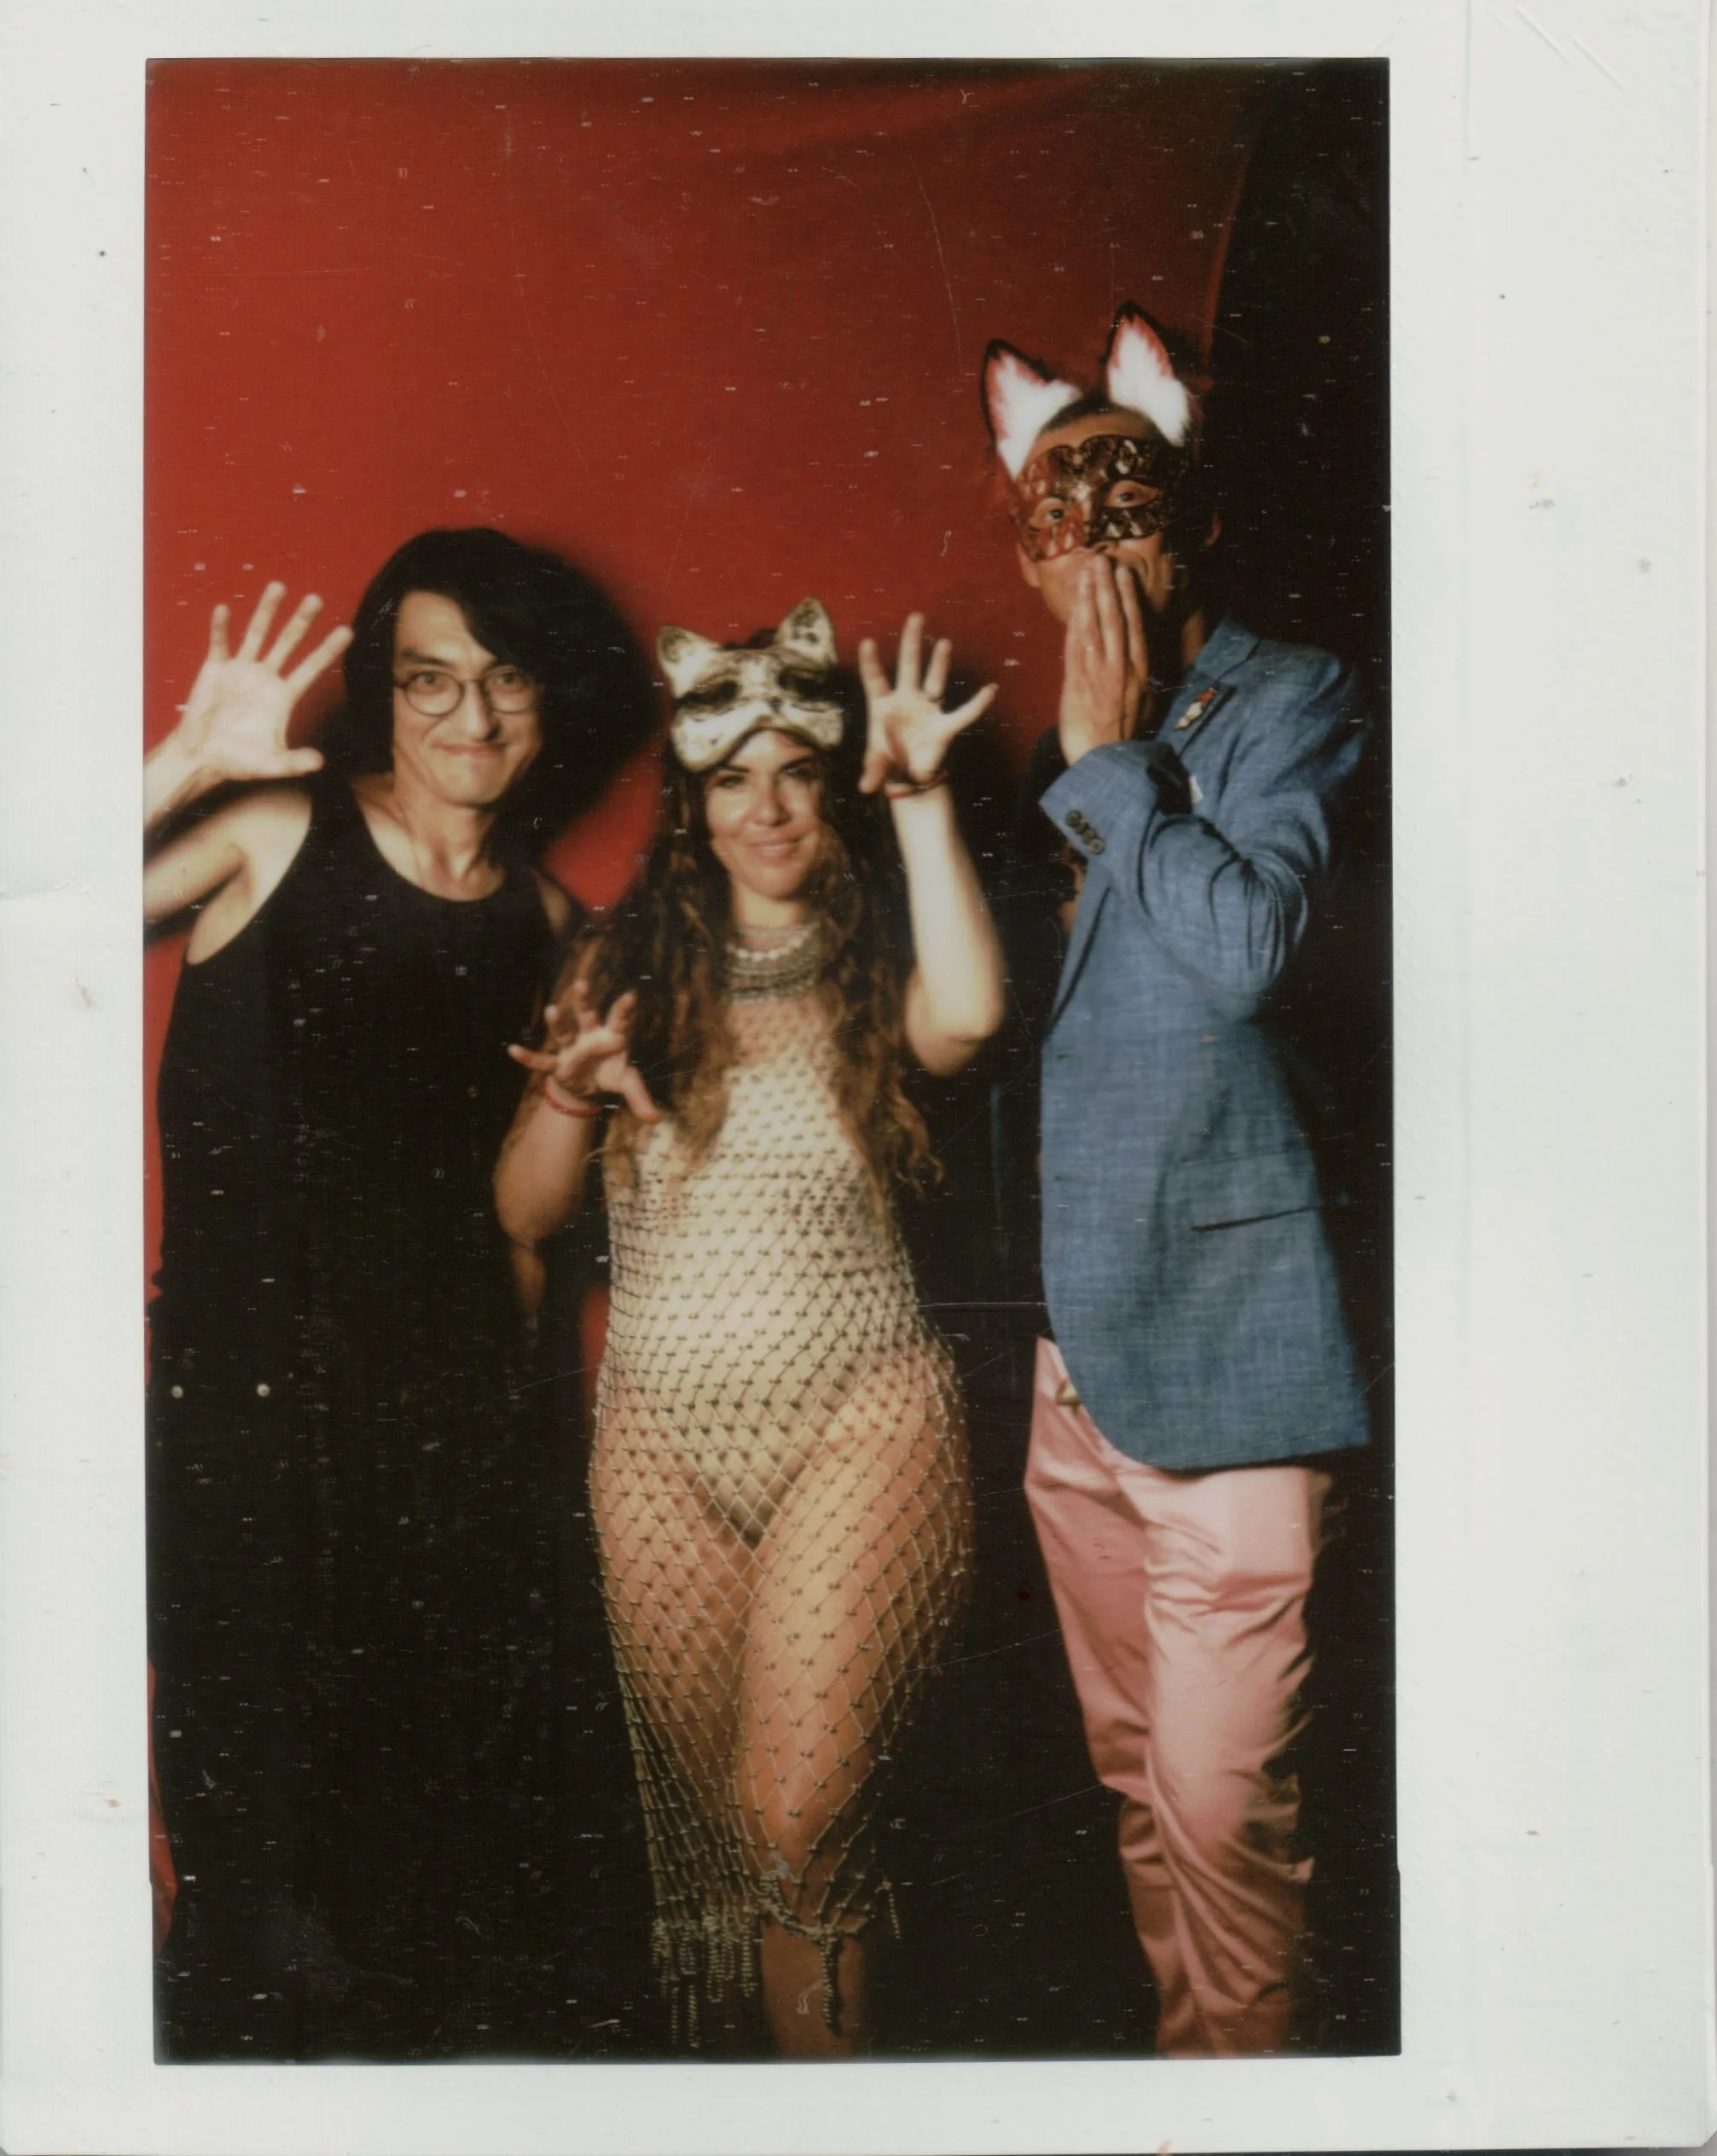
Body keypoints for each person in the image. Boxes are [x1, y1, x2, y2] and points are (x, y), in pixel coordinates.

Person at [142, 527, 653, 2057]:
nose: (472, 717)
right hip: (253, 1423)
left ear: (551, 699)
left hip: (456, 1446)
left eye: (507, 679)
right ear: (384, 689)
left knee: (436, 1876)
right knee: (258, 1876)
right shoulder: (271, 832)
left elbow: (522, 1233)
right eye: (432, 679)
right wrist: (182, 761)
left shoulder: (553, 929)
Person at [494, 598, 1004, 2056]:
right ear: (693, 802)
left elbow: (970, 1016)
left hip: (862, 1418)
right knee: (731, 1848)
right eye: (732, 778)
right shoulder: (622, 963)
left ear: (840, 787)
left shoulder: (886, 952)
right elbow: (527, 1212)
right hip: (661, 1445)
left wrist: (922, 797)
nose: (766, 807)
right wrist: (571, 1091)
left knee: (801, 1820)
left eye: (798, 773)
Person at [982, 305, 1372, 2056]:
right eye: (1057, 517)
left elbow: (1248, 954)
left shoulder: (1293, 697)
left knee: (1225, 1815)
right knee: (1140, 1780)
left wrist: (1115, 754)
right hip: (1077, 1354)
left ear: (1199, 519)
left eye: (1129, 507)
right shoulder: (1043, 749)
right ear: (1025, 549)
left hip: (1231, 1354)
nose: (1093, 545)